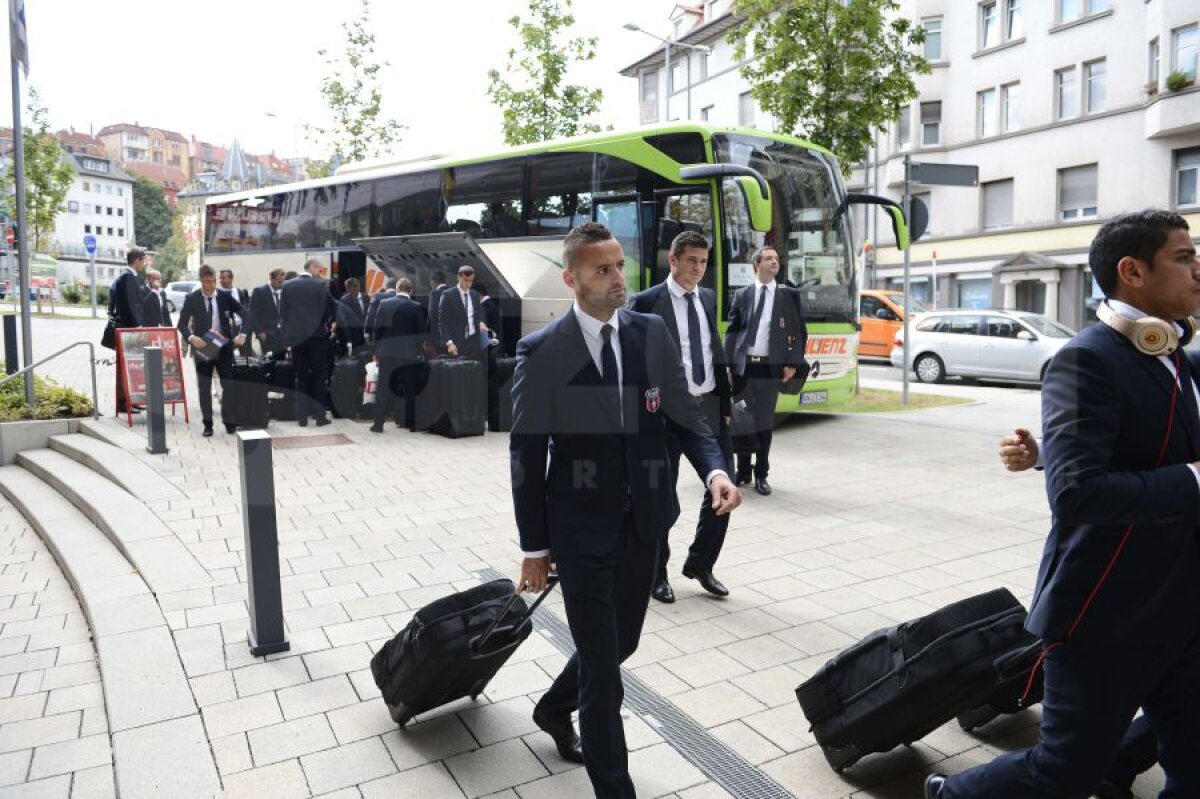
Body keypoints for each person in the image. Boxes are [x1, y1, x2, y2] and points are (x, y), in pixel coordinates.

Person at [926, 210, 1200, 798]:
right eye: (1184, 257)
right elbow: (1079, 494)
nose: (1198, 268)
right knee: (1063, 771)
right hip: (1108, 612)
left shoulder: (1174, 353)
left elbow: (1148, 431)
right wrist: (1194, 480)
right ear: (1132, 271)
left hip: (1182, 601)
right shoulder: (1087, 358)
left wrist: (1049, 450)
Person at [512, 222, 740, 798]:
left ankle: (552, 706)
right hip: (580, 531)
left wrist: (715, 470)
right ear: (572, 278)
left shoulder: (651, 332)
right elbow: (526, 454)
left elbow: (685, 414)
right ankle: (615, 788)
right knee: (604, 672)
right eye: (602, 269)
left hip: (646, 522)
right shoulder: (541, 352)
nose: (618, 278)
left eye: (619, 266)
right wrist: (534, 548)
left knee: (621, 644)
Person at [998, 428, 1161, 799]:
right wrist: (1041, 452)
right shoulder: (1175, 373)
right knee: (1063, 764)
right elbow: (1132, 437)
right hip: (1109, 588)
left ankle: (1115, 763)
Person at [626, 231, 733, 604]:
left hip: (706, 409)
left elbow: (711, 349)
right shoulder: (644, 302)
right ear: (673, 261)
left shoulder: (707, 298)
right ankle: (657, 573)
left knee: (723, 486)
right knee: (661, 495)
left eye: (704, 262)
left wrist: (725, 406)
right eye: (692, 261)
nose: (699, 269)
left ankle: (701, 564)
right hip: (662, 415)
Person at [723, 246, 808, 495]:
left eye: (776, 258)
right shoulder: (742, 295)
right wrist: (727, 365)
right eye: (769, 258)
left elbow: (800, 332)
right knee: (741, 421)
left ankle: (761, 474)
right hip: (743, 367)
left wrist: (792, 363)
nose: (774, 261)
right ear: (757, 264)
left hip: (771, 369)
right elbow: (732, 331)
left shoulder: (788, 295)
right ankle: (743, 471)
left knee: (763, 423)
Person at [176, 264, 248, 437]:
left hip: (223, 347)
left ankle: (229, 421)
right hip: (203, 348)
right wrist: (192, 339)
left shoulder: (224, 297)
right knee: (204, 387)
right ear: (201, 281)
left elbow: (246, 313)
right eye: (207, 281)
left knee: (229, 386)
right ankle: (207, 423)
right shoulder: (192, 298)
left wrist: (243, 333)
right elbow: (181, 323)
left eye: (213, 281)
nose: (211, 285)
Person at [280, 258, 336, 427]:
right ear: (311, 268)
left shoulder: (287, 285)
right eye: (319, 270)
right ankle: (320, 417)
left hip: (297, 338)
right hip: (317, 338)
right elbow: (326, 312)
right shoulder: (319, 286)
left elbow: (283, 313)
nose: (320, 273)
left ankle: (302, 418)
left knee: (301, 376)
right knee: (319, 377)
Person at [371, 278, 426, 434]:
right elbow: (421, 334)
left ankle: (378, 424)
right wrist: (417, 351)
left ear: (396, 289)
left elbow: (377, 331)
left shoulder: (384, 304)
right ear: (411, 291)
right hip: (408, 354)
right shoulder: (417, 307)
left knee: (383, 387)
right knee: (410, 388)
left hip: (387, 352)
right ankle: (412, 424)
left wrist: (377, 351)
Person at [111, 248, 148, 414]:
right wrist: (137, 325)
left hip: (126, 328)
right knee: (125, 366)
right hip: (127, 328)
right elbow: (130, 304)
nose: (144, 263)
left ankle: (129, 400)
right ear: (137, 260)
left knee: (128, 366)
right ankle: (123, 402)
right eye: (143, 260)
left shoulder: (126, 276)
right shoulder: (128, 277)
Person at [438, 265, 487, 358]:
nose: (468, 284)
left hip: (473, 343)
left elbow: (479, 314)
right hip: (455, 345)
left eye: (470, 281)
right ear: (458, 277)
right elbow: (442, 323)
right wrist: (449, 343)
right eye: (465, 280)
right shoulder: (447, 295)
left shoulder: (474, 295)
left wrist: (481, 323)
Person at [250, 269, 286, 357]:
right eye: (279, 282)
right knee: (269, 362)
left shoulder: (284, 291)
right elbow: (252, 314)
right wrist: (259, 332)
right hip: (267, 335)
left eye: (283, 281)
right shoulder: (260, 291)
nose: (282, 284)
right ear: (272, 279)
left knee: (281, 362)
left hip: (282, 335)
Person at [218, 268, 253, 357]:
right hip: (227, 330)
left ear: (231, 278)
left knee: (246, 356)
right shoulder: (217, 295)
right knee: (227, 357)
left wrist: (246, 331)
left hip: (242, 328)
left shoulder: (241, 292)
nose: (221, 280)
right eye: (220, 278)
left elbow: (247, 312)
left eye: (224, 278)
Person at [336, 277, 369, 354]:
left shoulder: (365, 297)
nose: (353, 292)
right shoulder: (344, 300)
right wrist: (349, 341)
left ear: (358, 287)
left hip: (365, 335)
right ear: (347, 289)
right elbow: (344, 321)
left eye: (355, 288)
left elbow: (368, 315)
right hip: (353, 336)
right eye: (349, 290)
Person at [364, 277, 397, 344]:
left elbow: (371, 315)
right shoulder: (404, 299)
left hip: (381, 336)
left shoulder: (377, 297)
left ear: (386, 287)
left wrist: (367, 332)